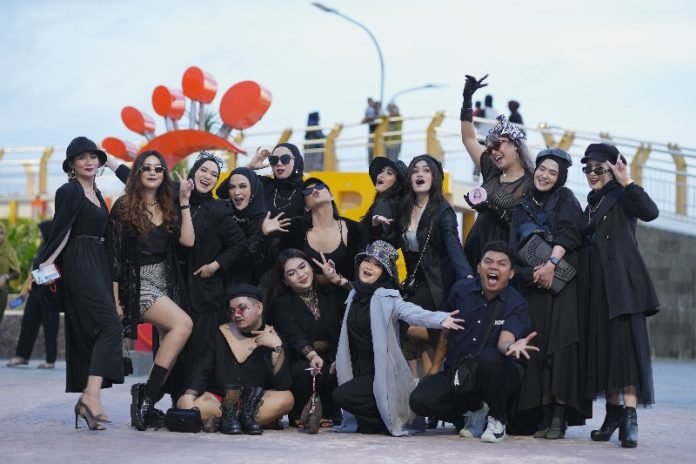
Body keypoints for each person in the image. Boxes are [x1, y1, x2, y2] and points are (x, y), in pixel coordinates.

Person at [36, 136, 129, 430]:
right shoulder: (68, 191)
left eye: (93, 156)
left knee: (96, 331)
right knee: (110, 326)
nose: (89, 161)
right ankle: (91, 397)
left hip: (99, 263)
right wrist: (45, 266)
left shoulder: (98, 194)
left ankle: (88, 402)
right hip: (79, 262)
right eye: (81, 157)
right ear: (71, 165)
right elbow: (62, 231)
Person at [332, 240, 465, 436]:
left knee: (341, 395)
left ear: (384, 273)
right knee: (356, 414)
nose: (370, 267)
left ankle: (392, 418)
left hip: (381, 370)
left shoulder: (387, 297)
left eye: (378, 265)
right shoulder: (353, 295)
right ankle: (381, 421)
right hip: (360, 366)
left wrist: (440, 319)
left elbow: (412, 312)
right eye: (367, 261)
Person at [409, 240, 537, 443]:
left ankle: (497, 419)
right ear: (478, 267)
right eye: (488, 261)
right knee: (419, 400)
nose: (494, 267)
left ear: (511, 273)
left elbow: (505, 340)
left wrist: (511, 346)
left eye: (502, 263)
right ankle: (472, 413)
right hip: (460, 374)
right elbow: (446, 331)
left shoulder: (516, 302)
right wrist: (434, 367)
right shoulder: (461, 290)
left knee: (489, 358)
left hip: (497, 375)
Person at [578, 143, 659, 448]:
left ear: (612, 169)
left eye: (599, 168)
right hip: (597, 287)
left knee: (626, 351)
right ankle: (612, 415)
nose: (592, 174)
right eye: (588, 169)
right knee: (605, 349)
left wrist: (628, 181)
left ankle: (630, 417)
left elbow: (651, 212)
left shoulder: (623, 196)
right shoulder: (591, 204)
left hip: (623, 286)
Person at [107, 150, 195, 431]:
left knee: (170, 341)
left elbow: (188, 241)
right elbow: (114, 259)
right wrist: (115, 301)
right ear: (137, 173)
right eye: (146, 168)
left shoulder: (168, 205)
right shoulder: (124, 206)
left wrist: (184, 202)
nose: (153, 172)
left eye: (158, 168)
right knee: (183, 325)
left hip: (164, 281)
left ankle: (146, 398)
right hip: (137, 282)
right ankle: (147, 396)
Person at [509, 148, 591, 438]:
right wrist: (531, 273)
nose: (544, 175)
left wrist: (550, 264)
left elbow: (570, 232)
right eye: (542, 169)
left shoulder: (565, 198)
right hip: (535, 285)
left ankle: (559, 414)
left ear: (561, 177)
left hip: (563, 283)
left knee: (562, 347)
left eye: (552, 172)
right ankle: (542, 413)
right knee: (538, 347)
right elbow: (514, 248)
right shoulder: (521, 206)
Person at [177, 284, 293, 435]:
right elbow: (202, 369)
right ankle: (248, 421)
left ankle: (224, 421)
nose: (236, 315)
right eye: (232, 311)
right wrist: (189, 395)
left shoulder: (273, 337)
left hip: (255, 402)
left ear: (258, 308)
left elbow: (282, 385)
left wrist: (277, 348)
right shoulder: (221, 333)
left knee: (287, 398)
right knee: (184, 402)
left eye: (242, 308)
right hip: (221, 401)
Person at [398, 154, 473, 379]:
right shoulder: (405, 208)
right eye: (415, 170)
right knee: (425, 337)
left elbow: (453, 245)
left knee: (403, 319)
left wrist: (467, 278)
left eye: (426, 170)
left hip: (437, 282)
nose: (419, 174)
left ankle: (433, 374)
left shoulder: (442, 210)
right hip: (415, 281)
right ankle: (430, 378)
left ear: (435, 177)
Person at [460, 74, 535, 268]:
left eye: (497, 145)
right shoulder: (492, 171)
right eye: (489, 148)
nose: (492, 152)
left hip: (503, 261)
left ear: (516, 145)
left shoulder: (532, 182)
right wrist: (467, 100)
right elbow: (469, 139)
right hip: (475, 252)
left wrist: (495, 208)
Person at [180, 152, 247, 364]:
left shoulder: (218, 209)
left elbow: (240, 243)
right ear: (193, 171)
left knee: (198, 355)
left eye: (214, 174)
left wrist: (215, 266)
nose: (208, 177)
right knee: (172, 355)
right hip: (174, 289)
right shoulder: (175, 199)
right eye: (203, 170)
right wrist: (112, 163)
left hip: (204, 294)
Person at [268, 249, 343, 427]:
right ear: (285, 281)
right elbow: (294, 335)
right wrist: (312, 355)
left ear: (311, 267)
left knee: (336, 368)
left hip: (330, 356)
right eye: (291, 273)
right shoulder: (282, 304)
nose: (301, 275)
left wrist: (335, 278)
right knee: (306, 370)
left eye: (303, 267)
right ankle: (301, 414)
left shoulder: (330, 295)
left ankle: (329, 412)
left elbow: (357, 299)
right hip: (300, 358)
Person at [284, 177, 361, 291]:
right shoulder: (295, 228)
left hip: (346, 295)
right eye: (308, 191)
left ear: (331, 196)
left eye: (319, 186)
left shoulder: (355, 228)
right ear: (306, 207)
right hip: (307, 296)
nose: (315, 191)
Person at [215, 166, 286, 286]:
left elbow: (245, 261)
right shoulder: (226, 216)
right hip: (221, 285)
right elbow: (219, 192)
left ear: (253, 189)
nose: (236, 192)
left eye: (243, 186)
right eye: (232, 187)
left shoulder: (268, 223)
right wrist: (247, 168)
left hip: (255, 289)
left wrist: (262, 234)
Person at [7, 220, 59, 369]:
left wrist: (38, 278)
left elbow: (57, 272)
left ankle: (50, 361)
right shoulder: (41, 249)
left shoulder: (56, 250)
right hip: (35, 293)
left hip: (50, 296)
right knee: (28, 324)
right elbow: (33, 271)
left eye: (42, 232)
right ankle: (22, 356)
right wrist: (25, 291)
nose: (40, 235)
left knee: (50, 327)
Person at [246, 143, 306, 219]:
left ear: (296, 161)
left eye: (285, 159)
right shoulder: (263, 185)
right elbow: (233, 185)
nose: (279, 163)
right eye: (274, 160)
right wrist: (250, 167)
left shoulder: (307, 191)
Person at [359, 157, 408, 248]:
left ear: (398, 183)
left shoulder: (384, 203)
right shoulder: (394, 205)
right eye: (381, 171)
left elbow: (378, 245)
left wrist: (375, 226)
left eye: (389, 173)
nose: (380, 175)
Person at [0, 221, 20, 325]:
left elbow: (16, 273)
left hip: (1, 291)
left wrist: (5, 277)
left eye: (1, 233)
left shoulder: (10, 252)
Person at [362, 98, 380, 162]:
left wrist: (369, 119)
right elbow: (367, 118)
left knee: (374, 146)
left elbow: (374, 117)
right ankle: (370, 161)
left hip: (377, 130)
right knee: (370, 147)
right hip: (372, 130)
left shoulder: (376, 109)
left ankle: (372, 160)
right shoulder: (368, 109)